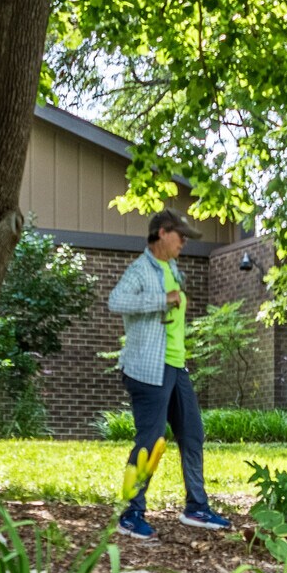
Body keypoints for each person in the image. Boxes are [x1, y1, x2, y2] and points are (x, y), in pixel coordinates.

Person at [107, 209, 232, 539]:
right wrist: (162, 300)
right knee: (150, 440)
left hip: (176, 366)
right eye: (181, 235)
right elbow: (116, 302)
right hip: (147, 368)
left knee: (192, 433)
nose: (185, 241)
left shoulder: (173, 268)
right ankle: (131, 513)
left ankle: (197, 507)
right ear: (162, 233)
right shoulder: (140, 269)